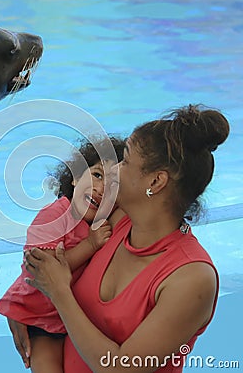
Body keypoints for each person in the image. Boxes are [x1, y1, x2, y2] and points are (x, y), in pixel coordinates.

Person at [15, 104, 229, 372]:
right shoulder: (115, 223)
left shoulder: (192, 279)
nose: (114, 169)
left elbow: (121, 369)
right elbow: (50, 262)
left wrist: (59, 294)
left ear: (156, 182)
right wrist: (22, 307)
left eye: (125, 160)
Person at [0, 135, 126, 373]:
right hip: (37, 316)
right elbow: (43, 270)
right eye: (97, 175)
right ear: (76, 177)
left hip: (66, 316)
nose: (101, 189)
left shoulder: (101, 224)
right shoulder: (56, 214)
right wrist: (90, 245)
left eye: (114, 188)